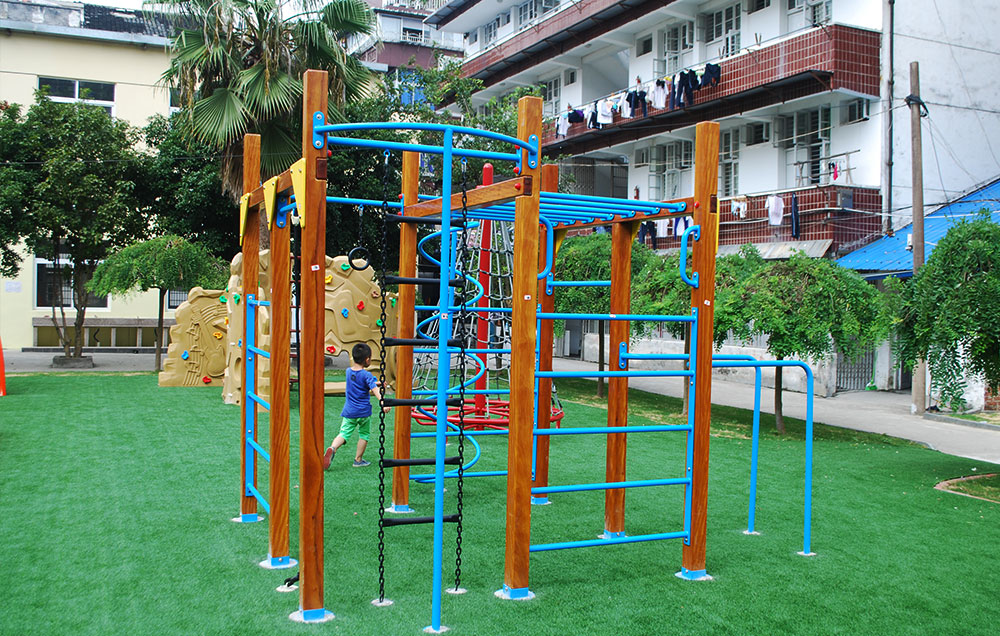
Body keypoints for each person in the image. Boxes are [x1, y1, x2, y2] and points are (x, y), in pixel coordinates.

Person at [323, 343, 389, 469]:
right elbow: (374, 390)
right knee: (364, 435)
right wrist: (383, 403)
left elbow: (361, 384)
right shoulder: (366, 375)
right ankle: (358, 460)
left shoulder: (348, 372)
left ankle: (333, 448)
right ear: (367, 360)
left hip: (349, 411)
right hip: (363, 413)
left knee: (343, 434)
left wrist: (376, 383)